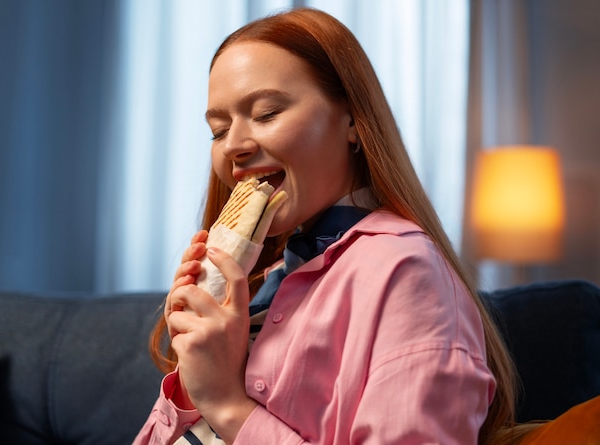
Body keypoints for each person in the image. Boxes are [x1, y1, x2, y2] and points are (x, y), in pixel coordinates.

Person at [133, 7, 517, 445]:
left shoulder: (406, 273)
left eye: (266, 113)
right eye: (218, 130)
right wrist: (193, 370)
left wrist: (226, 403)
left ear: (352, 119)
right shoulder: (269, 278)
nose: (234, 146)